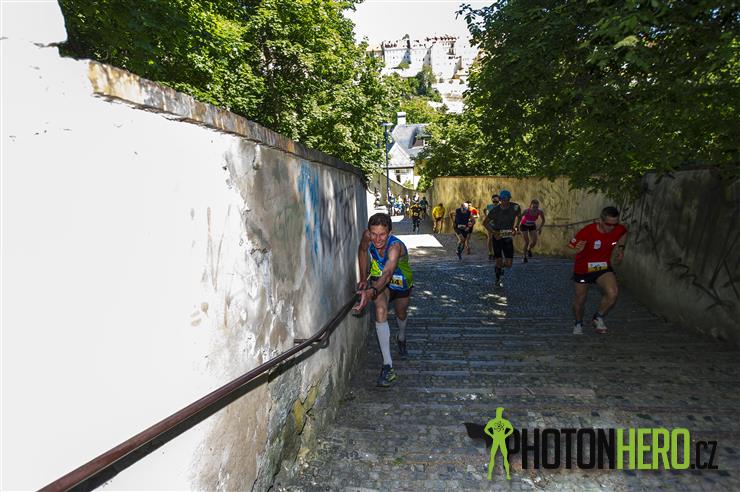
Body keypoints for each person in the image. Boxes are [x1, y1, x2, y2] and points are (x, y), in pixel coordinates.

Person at [353, 213, 414, 386]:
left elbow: (388, 274)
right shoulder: (367, 236)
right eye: (374, 234)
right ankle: (388, 366)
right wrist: (363, 278)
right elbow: (362, 250)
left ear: (389, 233)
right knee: (380, 310)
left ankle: (401, 337)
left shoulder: (395, 247)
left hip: (400, 282)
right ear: (369, 232)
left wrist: (371, 291)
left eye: (382, 235)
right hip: (380, 281)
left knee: (401, 314)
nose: (377, 239)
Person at [568, 206, 627, 335]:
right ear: (600, 220)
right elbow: (567, 248)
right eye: (608, 224)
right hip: (583, 269)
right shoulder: (586, 232)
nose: (612, 228)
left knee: (613, 293)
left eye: (614, 224)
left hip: (602, 267)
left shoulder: (618, 229)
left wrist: (621, 248)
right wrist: (575, 250)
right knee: (580, 299)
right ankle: (578, 322)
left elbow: (623, 232)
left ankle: (598, 317)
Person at [482, 190, 521, 287]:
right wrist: (494, 233)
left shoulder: (515, 207)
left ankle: (498, 268)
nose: (505, 201)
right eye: (503, 200)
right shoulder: (495, 211)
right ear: (500, 200)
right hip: (497, 235)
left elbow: (519, 216)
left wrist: (516, 227)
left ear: (509, 199)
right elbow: (485, 223)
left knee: (509, 264)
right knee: (499, 261)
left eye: (507, 199)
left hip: (507, 236)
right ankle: (498, 276)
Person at [484, 194, 501, 260]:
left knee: (498, 239)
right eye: (494, 201)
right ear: (492, 200)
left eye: (496, 201)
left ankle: (496, 252)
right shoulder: (489, 206)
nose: (495, 203)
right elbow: (485, 210)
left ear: (499, 200)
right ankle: (490, 253)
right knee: (490, 238)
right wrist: (486, 216)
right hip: (490, 224)